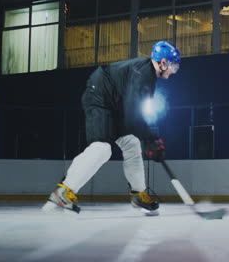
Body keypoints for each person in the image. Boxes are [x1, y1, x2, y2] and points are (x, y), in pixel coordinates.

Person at [42, 40, 181, 215]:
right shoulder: (143, 73)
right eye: (173, 67)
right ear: (163, 63)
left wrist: (148, 140)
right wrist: (151, 139)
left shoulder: (147, 73)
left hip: (115, 104)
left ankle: (138, 195)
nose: (174, 71)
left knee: (132, 143)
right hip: (100, 97)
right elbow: (133, 115)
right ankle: (63, 192)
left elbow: (133, 113)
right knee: (102, 148)